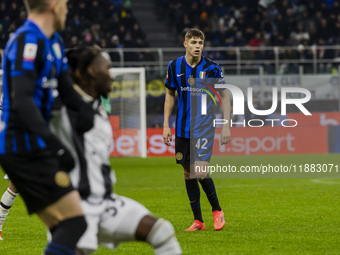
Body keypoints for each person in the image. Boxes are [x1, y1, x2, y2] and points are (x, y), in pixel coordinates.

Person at [49, 46, 182, 255]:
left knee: (161, 232)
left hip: (104, 202)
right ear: (92, 71)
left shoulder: (96, 107)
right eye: (108, 69)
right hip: (75, 207)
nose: (112, 76)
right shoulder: (61, 107)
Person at [0, 0, 95, 254]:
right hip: (23, 148)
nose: (68, 8)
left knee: (68, 231)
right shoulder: (26, 41)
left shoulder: (53, 40)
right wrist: (55, 145)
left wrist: (85, 108)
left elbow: (64, 86)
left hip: (34, 146)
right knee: (75, 224)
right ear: (53, 5)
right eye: (64, 3)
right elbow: (22, 100)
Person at [163, 28, 231, 231]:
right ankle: (198, 221)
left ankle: (217, 211)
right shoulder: (174, 66)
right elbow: (169, 95)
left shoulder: (212, 68)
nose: (197, 46)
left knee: (199, 171)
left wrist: (226, 125)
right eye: (193, 42)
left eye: (200, 43)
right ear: (185, 43)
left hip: (204, 128)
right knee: (187, 172)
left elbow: (225, 97)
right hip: (182, 128)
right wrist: (166, 125)